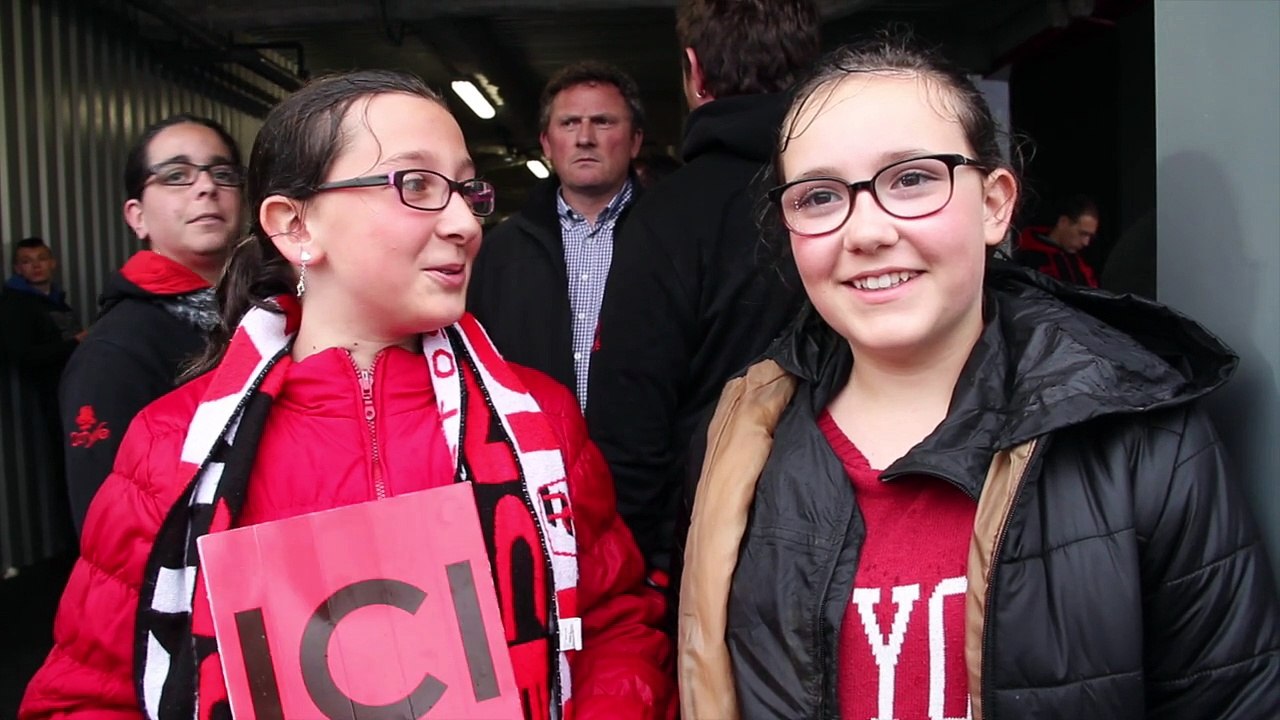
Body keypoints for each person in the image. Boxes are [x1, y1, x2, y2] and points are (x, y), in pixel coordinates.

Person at [21, 70, 673, 720]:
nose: (465, 224)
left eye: (465, 189)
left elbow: (614, 627)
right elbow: (85, 697)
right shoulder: (176, 451)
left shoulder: (538, 422)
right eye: (415, 185)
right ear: (296, 226)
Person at [676, 36, 1280, 720]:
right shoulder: (739, 442)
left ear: (995, 204)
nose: (866, 230)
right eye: (819, 196)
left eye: (912, 179)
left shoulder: (1142, 439)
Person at [588, 0, 821, 577]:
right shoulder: (853, 197)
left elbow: (630, 423)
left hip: (714, 550)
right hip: (862, 529)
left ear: (694, 72)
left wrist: (637, 577)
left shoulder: (664, 219)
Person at [59, 114, 244, 535]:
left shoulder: (269, 318)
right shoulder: (115, 352)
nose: (206, 187)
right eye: (176, 175)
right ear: (136, 216)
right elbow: (108, 532)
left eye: (223, 173)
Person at [469, 61, 645, 409]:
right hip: (534, 456)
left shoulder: (671, 238)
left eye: (603, 121)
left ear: (635, 140)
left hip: (641, 459)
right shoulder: (500, 251)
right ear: (547, 144)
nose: (584, 138)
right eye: (569, 124)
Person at [1014, 193, 1100, 286]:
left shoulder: (1082, 263)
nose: (1086, 242)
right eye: (1083, 234)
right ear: (1063, 222)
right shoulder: (1025, 254)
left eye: (1090, 236)